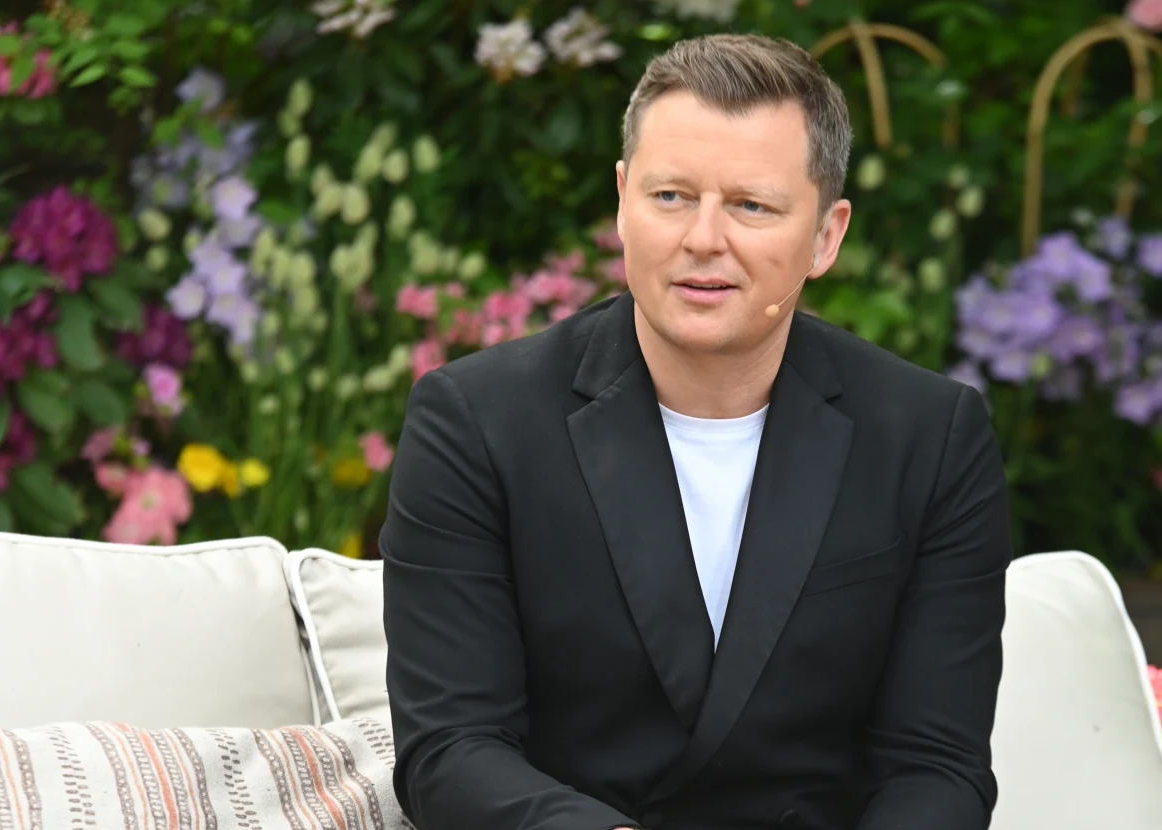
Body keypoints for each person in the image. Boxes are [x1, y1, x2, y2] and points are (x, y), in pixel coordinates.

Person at [379, 32, 1012, 830]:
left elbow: (937, 767)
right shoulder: (476, 421)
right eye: (672, 196)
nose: (703, 238)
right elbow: (450, 749)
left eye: (751, 205)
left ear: (826, 235)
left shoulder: (930, 435)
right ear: (623, 201)